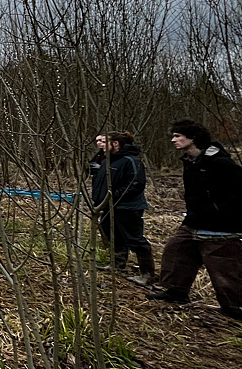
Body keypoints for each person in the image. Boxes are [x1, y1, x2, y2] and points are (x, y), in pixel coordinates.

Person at [147, 120, 242, 320]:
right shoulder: (190, 161)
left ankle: (234, 308)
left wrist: (221, 213)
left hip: (221, 227)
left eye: (177, 136)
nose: (173, 140)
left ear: (193, 138)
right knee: (176, 251)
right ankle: (176, 292)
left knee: (223, 269)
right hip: (194, 222)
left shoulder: (220, 163)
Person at [91, 131, 154, 284]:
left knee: (135, 239)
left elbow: (136, 184)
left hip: (128, 207)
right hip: (108, 207)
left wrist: (114, 195)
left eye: (104, 142)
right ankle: (117, 265)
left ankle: (147, 273)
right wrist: (100, 200)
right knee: (114, 237)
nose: (100, 145)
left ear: (116, 144)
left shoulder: (130, 160)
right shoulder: (107, 161)